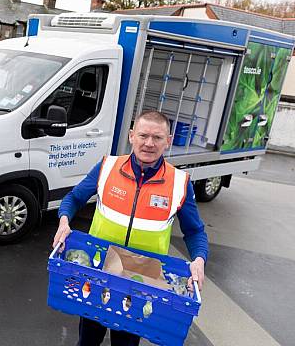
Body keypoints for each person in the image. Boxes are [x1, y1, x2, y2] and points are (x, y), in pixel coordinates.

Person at [52, 110, 208, 346]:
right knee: (87, 340)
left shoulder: (180, 183)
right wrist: (64, 221)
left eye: (157, 138)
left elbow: (195, 231)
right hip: (99, 271)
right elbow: (73, 198)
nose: (149, 143)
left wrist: (198, 259)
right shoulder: (108, 167)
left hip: (141, 281)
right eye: (143, 135)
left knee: (126, 342)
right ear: (131, 136)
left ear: (168, 141)